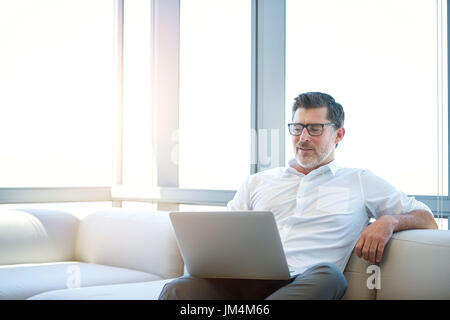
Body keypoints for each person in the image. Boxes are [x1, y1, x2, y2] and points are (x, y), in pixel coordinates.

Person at [159, 92, 438, 300]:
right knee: (176, 289)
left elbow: (426, 218)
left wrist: (388, 221)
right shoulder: (258, 182)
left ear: (338, 134)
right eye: (297, 127)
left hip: (304, 284)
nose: (303, 137)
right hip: (240, 281)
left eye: (315, 129)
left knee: (331, 276)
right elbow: (222, 236)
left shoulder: (359, 180)